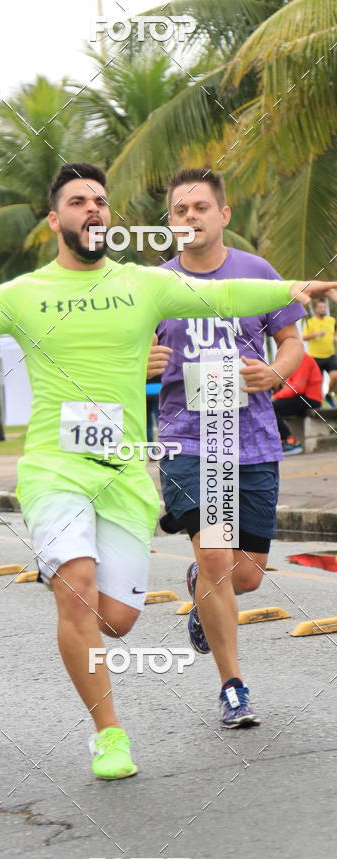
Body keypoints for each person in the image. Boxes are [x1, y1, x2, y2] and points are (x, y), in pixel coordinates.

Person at [0, 162, 335, 778]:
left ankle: (102, 609)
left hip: (125, 475)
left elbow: (228, 295)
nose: (93, 209)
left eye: (100, 200)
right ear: (56, 220)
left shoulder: (142, 285)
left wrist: (293, 289)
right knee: (75, 587)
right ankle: (110, 735)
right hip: (55, 467)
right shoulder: (25, 292)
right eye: (79, 201)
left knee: (119, 619)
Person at [153, 167, 305, 728]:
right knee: (214, 554)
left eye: (198, 207)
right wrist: (136, 363)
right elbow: (123, 354)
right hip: (189, 439)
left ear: (223, 215)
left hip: (254, 438)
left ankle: (200, 590)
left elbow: (291, 340)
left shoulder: (257, 272)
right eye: (177, 211)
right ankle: (233, 687)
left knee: (245, 577)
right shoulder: (154, 287)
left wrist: (275, 371)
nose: (188, 217)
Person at [272, 353, 323, 455]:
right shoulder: (294, 359)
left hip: (310, 398)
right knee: (272, 407)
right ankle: (282, 441)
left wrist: (274, 397)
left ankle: (289, 441)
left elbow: (297, 387)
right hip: (303, 397)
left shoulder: (302, 358)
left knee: (271, 407)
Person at [302, 299, 337, 407]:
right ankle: (317, 405)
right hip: (315, 357)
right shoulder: (310, 322)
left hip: (330, 355)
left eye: (324, 307)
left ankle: (329, 394)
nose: (323, 309)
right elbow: (304, 337)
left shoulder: (331, 320)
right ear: (316, 309)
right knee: (317, 383)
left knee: (335, 376)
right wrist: (316, 334)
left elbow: (335, 333)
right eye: (320, 307)